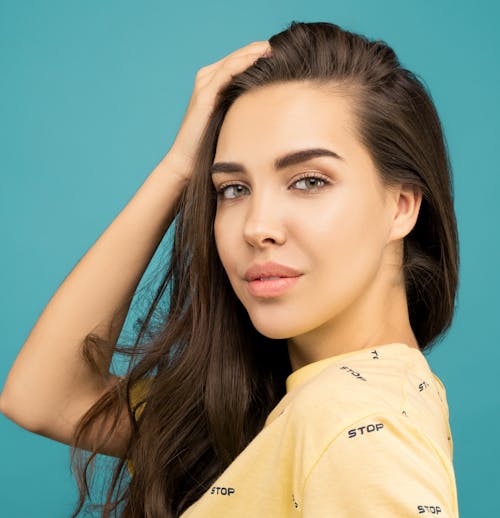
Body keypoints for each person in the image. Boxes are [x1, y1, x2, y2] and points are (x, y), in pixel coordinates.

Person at [0, 20, 460, 517]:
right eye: (232, 189)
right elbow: (42, 397)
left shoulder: (359, 424)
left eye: (308, 181)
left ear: (402, 207)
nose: (257, 226)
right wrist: (180, 165)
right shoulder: (281, 407)